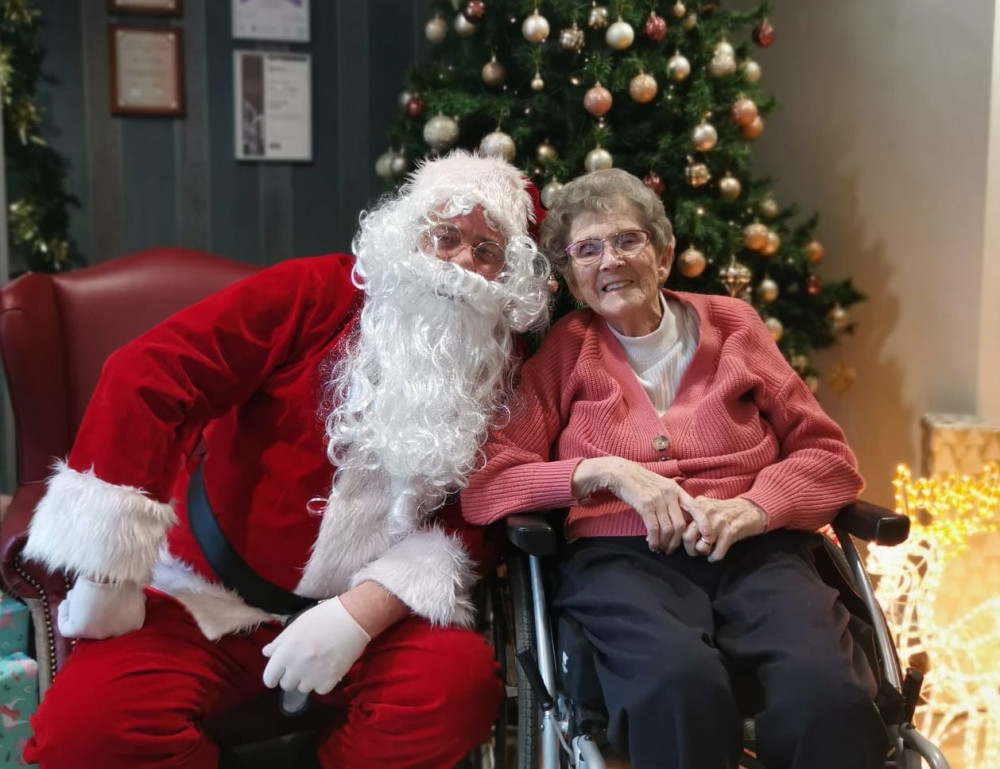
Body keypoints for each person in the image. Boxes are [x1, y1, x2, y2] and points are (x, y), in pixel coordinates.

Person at [21, 150, 552, 769]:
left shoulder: (504, 363)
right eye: (446, 236)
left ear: (507, 274)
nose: (462, 261)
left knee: (453, 691)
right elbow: (152, 375)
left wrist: (362, 614)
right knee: (85, 729)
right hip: (204, 594)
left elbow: (488, 501)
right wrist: (106, 571)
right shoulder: (316, 292)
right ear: (409, 235)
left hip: (369, 623)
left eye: (487, 251)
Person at [461, 168, 888, 769]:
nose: (609, 260)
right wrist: (601, 472)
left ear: (663, 257)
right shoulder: (565, 350)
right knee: (678, 685)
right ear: (573, 278)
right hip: (621, 565)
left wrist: (756, 507)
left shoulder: (734, 327)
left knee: (827, 689)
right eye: (587, 249)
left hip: (760, 555)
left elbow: (828, 458)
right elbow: (488, 486)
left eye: (626, 240)